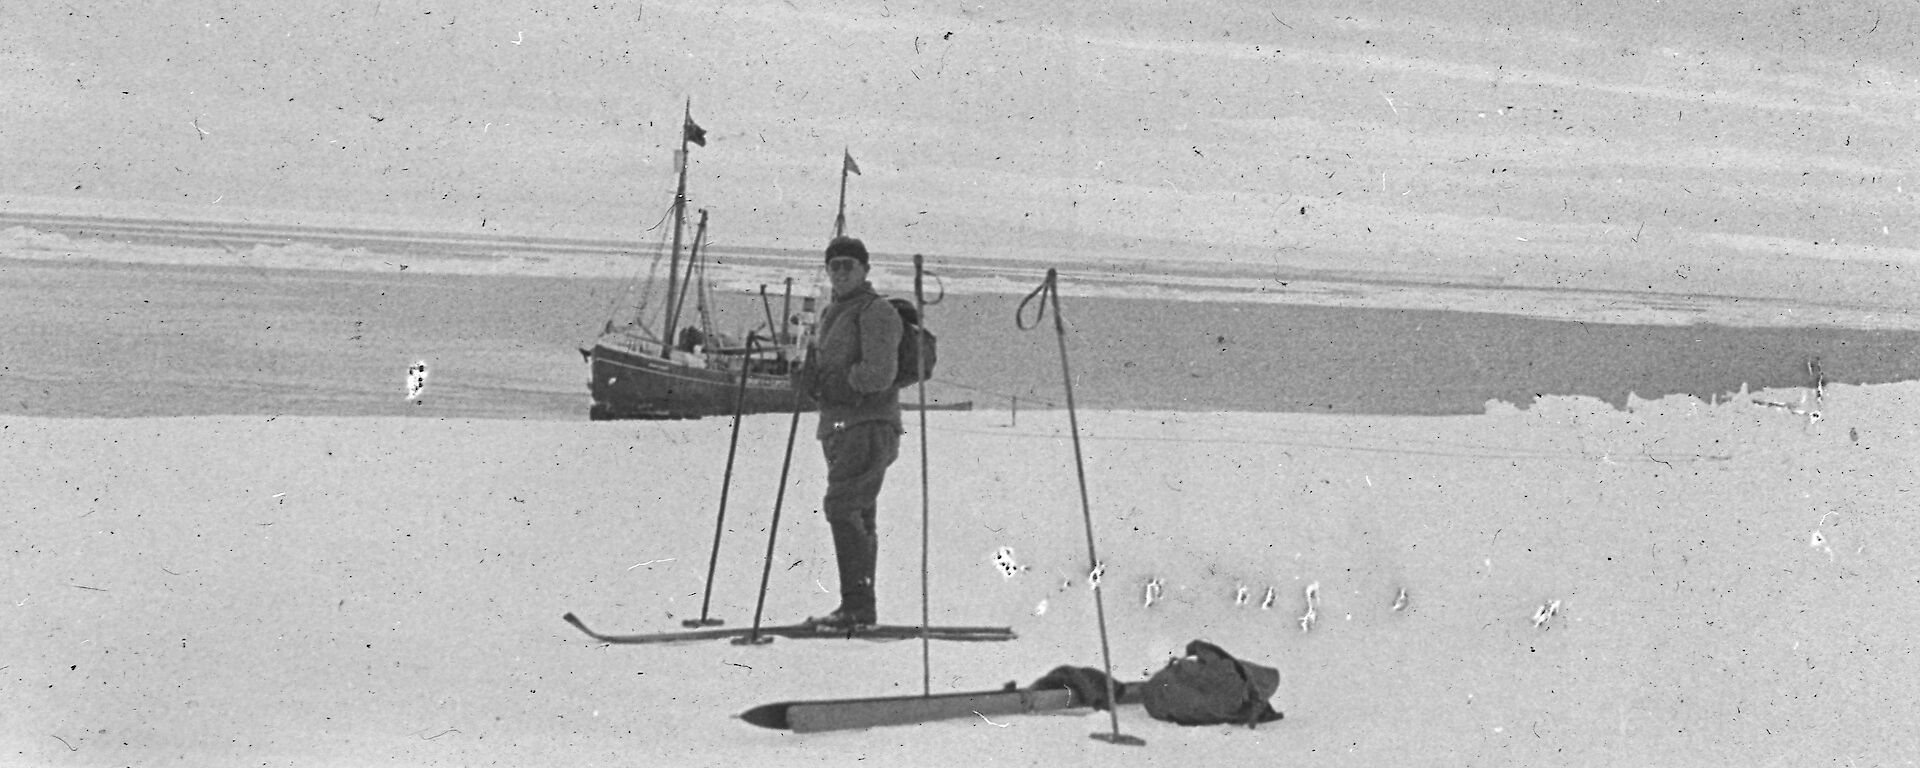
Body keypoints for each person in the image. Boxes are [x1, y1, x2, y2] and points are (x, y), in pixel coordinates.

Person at [797, 235, 903, 628]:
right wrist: (811, 381)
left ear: (865, 270)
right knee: (857, 512)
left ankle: (857, 606)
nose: (840, 272)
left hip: (868, 425)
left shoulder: (876, 312)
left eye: (848, 265)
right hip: (841, 428)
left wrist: (838, 384)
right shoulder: (834, 313)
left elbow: (879, 374)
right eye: (834, 265)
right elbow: (834, 370)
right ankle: (859, 605)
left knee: (843, 507)